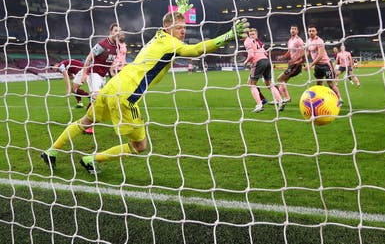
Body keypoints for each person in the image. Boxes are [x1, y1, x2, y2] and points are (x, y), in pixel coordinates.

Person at [41, 9, 250, 174]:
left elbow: (174, 36)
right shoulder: (170, 42)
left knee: (86, 121)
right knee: (139, 146)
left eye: (184, 27)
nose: (183, 31)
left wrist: (179, 18)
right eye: (179, 27)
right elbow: (195, 51)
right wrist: (229, 35)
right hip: (127, 94)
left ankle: (51, 150)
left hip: (113, 85)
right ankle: (90, 160)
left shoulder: (158, 36)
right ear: (167, 27)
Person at [79, 23, 121, 134]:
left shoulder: (117, 47)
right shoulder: (102, 44)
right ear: (111, 31)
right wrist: (84, 74)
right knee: (96, 98)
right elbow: (89, 57)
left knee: (102, 100)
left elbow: (110, 63)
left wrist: (113, 74)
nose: (117, 32)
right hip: (94, 74)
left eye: (119, 31)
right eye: (115, 30)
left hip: (103, 77)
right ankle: (88, 126)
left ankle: (85, 120)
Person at [243, 28, 284, 113]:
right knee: (269, 84)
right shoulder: (258, 42)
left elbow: (251, 55)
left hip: (259, 62)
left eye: (253, 34)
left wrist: (246, 62)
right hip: (266, 61)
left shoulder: (248, 41)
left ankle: (259, 105)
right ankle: (280, 101)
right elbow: (265, 53)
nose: (252, 36)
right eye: (250, 34)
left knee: (251, 84)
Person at [302, 25, 342, 106]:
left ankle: (339, 99)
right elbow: (307, 52)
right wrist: (303, 59)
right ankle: (321, 100)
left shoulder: (319, 41)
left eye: (313, 31)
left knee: (330, 84)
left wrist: (310, 65)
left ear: (316, 32)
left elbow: (320, 56)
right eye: (309, 31)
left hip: (326, 65)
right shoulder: (308, 41)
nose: (311, 32)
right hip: (317, 66)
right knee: (319, 83)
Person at [275, 25, 305, 103]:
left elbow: (303, 53)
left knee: (280, 79)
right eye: (292, 29)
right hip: (292, 64)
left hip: (296, 65)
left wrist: (295, 60)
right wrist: (283, 57)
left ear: (297, 31)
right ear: (290, 30)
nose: (293, 30)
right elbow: (289, 51)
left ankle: (287, 97)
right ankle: (278, 99)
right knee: (283, 81)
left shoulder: (299, 40)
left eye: (295, 29)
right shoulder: (290, 40)